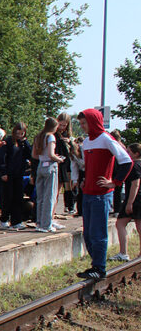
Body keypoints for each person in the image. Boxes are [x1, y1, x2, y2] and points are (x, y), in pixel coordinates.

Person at [76, 109, 132, 280]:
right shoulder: (87, 142)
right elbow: (89, 166)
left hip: (101, 194)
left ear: (93, 122)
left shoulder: (106, 139)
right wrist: (85, 179)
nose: (82, 126)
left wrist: (115, 182)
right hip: (88, 192)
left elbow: (126, 161)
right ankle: (96, 264)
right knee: (88, 233)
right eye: (81, 123)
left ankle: (99, 268)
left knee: (98, 232)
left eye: (84, 123)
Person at [31, 117, 65, 233]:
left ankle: (39, 223)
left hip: (40, 166)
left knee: (40, 197)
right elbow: (51, 154)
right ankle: (47, 224)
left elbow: (34, 155)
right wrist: (59, 159)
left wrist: (43, 156)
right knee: (50, 196)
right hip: (50, 166)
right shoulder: (50, 137)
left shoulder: (38, 137)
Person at [112, 143, 141, 262]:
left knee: (120, 223)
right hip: (137, 199)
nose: (127, 154)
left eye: (129, 152)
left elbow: (135, 184)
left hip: (134, 199)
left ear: (136, 154)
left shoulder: (134, 166)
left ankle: (123, 253)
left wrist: (130, 203)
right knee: (138, 226)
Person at [55, 113, 76, 214]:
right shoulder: (54, 134)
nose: (62, 127)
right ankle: (55, 208)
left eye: (64, 125)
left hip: (67, 161)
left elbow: (75, 150)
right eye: (61, 125)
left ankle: (69, 205)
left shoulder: (68, 135)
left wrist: (70, 142)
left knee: (68, 184)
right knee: (57, 186)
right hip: (58, 160)